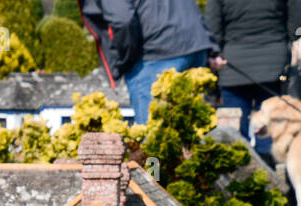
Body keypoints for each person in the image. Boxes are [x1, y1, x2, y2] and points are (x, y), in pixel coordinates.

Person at [206, 0, 301, 165]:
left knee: (235, 135)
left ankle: (242, 179)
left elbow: (212, 28)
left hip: (233, 67)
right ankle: (272, 180)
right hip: (274, 67)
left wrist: (215, 54)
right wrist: (290, 39)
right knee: (270, 131)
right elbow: (300, 24)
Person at [81, 0, 219, 122]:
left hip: (155, 53)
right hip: (194, 45)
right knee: (190, 133)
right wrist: (211, 47)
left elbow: (122, 20)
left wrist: (125, 58)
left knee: (153, 137)